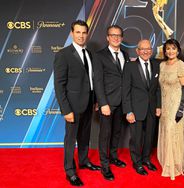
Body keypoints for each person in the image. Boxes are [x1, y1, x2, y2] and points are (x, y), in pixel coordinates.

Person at [53, 20, 101, 186]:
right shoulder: (63, 54)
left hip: (88, 103)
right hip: (72, 106)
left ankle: (83, 160)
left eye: (84, 32)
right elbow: (59, 85)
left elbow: (91, 80)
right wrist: (65, 109)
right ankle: (70, 171)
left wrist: (94, 101)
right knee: (70, 138)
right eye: (78, 32)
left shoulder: (90, 54)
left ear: (87, 34)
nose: (81, 35)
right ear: (72, 33)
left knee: (84, 136)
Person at [93, 25, 130, 181]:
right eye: (112, 35)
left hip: (122, 101)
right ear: (107, 37)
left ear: (121, 38)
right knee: (105, 134)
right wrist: (102, 103)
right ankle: (105, 165)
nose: (116, 38)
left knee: (116, 132)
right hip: (107, 102)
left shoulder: (125, 54)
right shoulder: (99, 55)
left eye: (118, 35)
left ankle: (114, 157)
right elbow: (98, 81)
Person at [122, 39, 161, 176]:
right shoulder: (130, 66)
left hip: (151, 109)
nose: (146, 51)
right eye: (142, 49)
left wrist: (158, 106)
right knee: (136, 138)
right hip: (135, 109)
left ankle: (146, 159)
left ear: (151, 50)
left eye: (148, 49)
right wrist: (128, 111)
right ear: (137, 51)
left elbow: (157, 89)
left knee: (149, 137)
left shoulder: (157, 65)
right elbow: (125, 90)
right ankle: (137, 163)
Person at [157, 39, 184, 180]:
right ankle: (166, 162)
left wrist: (181, 109)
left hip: (176, 105)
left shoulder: (181, 65)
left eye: (173, 48)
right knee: (165, 131)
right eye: (168, 48)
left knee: (172, 132)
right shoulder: (162, 65)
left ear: (178, 50)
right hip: (164, 105)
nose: (170, 51)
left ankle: (175, 164)